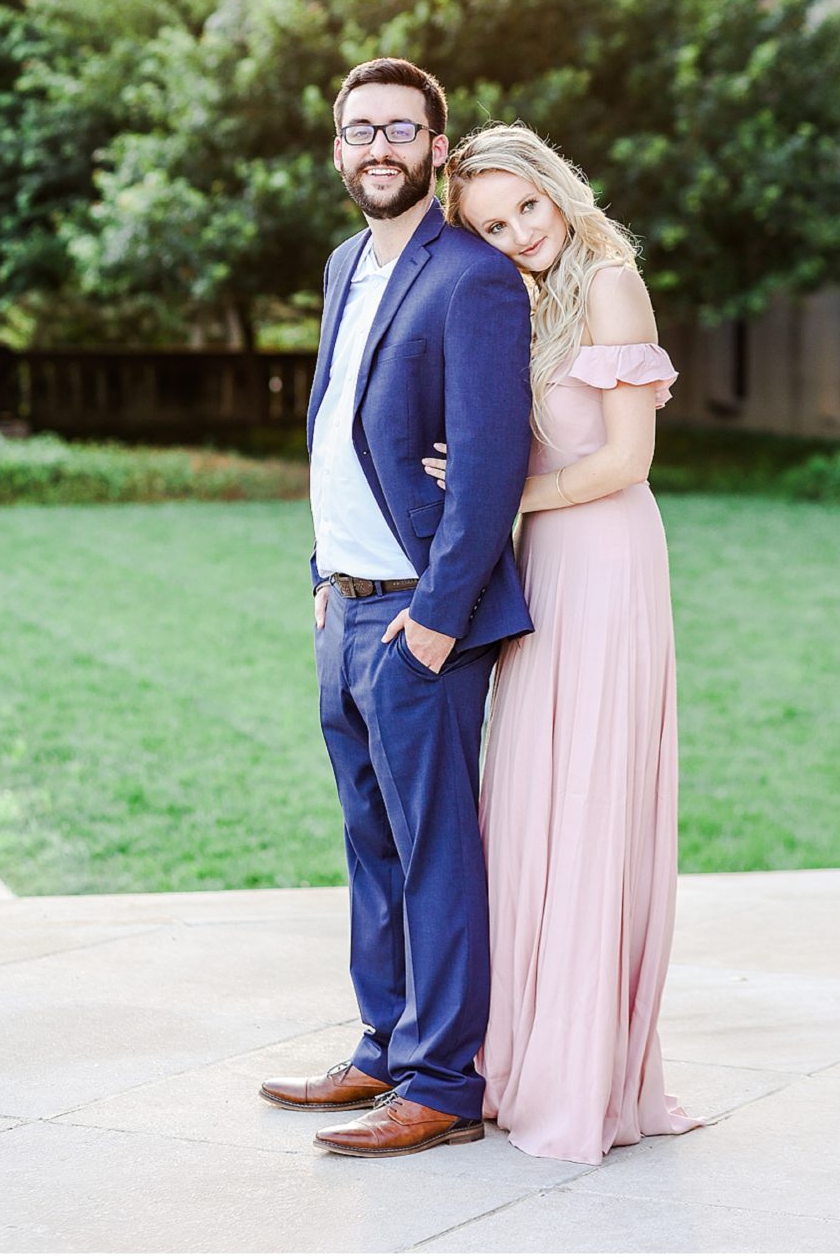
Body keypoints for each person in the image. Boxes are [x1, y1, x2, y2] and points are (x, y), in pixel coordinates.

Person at [260, 61, 534, 1159]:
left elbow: (486, 464)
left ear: (434, 144)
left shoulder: (470, 276)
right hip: (345, 603)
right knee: (371, 839)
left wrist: (437, 614)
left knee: (434, 852)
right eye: (358, 129)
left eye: (399, 129)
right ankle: (383, 1041)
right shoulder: (343, 265)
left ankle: (442, 1080)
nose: (378, 146)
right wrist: (322, 572)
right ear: (336, 148)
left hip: (422, 617)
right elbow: (336, 420)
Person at [433, 121, 702, 1166]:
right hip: (543, 559)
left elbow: (628, 458)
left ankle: (584, 1071)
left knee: (587, 801)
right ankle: (521, 1047)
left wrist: (508, 492)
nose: (515, 236)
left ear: (558, 191)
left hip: (605, 560)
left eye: (525, 210)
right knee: (530, 799)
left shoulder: (608, 280)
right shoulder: (530, 295)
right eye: (491, 227)